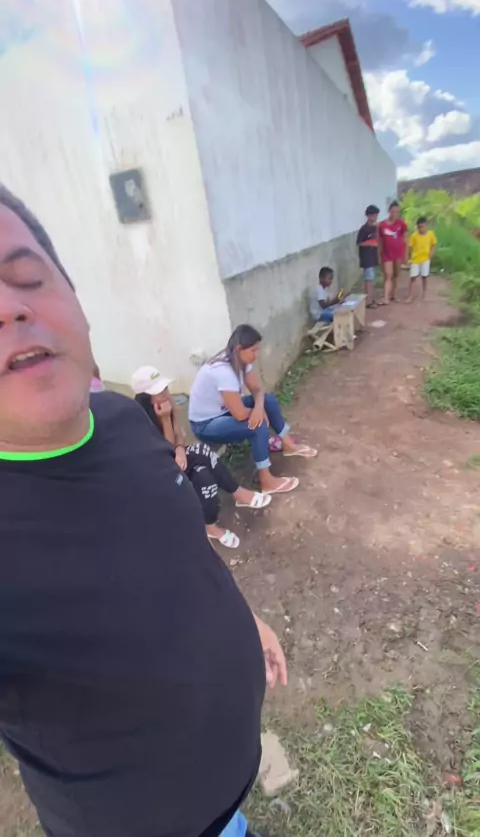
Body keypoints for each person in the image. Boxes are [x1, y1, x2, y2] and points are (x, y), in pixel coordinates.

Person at [0, 184, 286, 837]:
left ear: (78, 304)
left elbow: (183, 547)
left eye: (27, 277)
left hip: (225, 802)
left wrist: (246, 620)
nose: (9, 307)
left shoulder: (121, 420)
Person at [132, 365, 271, 549]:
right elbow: (165, 453)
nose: (165, 394)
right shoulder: (139, 422)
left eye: (165, 388)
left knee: (204, 475)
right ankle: (237, 494)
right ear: (145, 398)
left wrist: (180, 449)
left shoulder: (167, 404)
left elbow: (178, 436)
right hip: (161, 474)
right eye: (159, 392)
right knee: (201, 452)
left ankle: (210, 526)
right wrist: (165, 419)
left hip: (175, 458)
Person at [189, 324, 317, 496]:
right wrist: (256, 412)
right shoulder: (223, 372)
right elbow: (240, 414)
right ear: (239, 349)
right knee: (257, 425)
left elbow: (257, 389)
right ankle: (267, 481)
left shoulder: (239, 360)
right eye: (253, 351)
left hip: (223, 411)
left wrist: (259, 407)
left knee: (268, 400)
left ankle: (288, 445)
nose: (256, 355)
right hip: (206, 424)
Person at [378, 200, 408, 304]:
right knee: (388, 275)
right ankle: (386, 297)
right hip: (387, 254)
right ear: (389, 211)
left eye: (397, 212)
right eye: (393, 211)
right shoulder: (382, 225)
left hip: (398, 254)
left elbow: (405, 240)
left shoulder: (401, 224)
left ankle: (393, 295)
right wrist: (379, 255)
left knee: (396, 274)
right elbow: (380, 241)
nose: (395, 214)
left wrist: (406, 255)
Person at [407, 216, 437, 303]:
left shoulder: (430, 234)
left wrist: (431, 253)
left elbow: (433, 244)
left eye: (422, 227)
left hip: (425, 259)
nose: (421, 229)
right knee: (413, 277)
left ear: (426, 225)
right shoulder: (414, 236)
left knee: (424, 277)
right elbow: (409, 247)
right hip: (415, 259)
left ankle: (424, 294)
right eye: (419, 227)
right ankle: (411, 296)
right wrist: (408, 258)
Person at [356, 205, 380, 308]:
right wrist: (371, 243)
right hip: (366, 258)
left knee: (371, 279)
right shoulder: (363, 229)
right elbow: (359, 243)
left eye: (376, 215)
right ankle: (368, 301)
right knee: (368, 279)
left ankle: (370, 298)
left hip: (373, 257)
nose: (375, 217)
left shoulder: (375, 228)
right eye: (373, 215)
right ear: (368, 216)